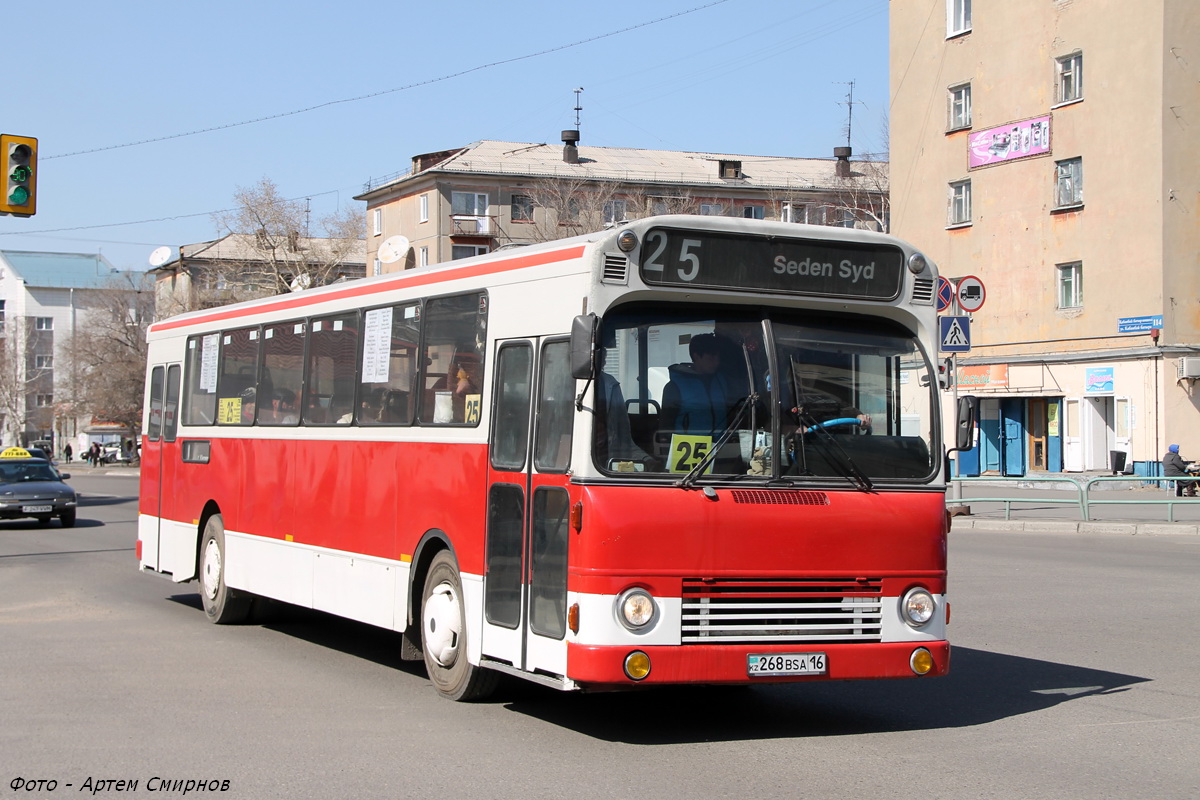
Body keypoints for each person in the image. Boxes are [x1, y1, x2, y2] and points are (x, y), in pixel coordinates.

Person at [660, 333, 732, 436]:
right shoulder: (674, 386)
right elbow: (666, 427)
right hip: (688, 449)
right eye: (711, 358)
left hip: (721, 447)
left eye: (718, 358)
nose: (716, 362)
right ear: (696, 356)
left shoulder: (722, 382)